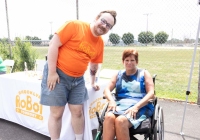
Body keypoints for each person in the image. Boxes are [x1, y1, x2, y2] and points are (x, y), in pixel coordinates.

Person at [40, 10, 117, 140]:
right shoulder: (75, 26)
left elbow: (93, 65)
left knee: (77, 111)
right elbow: (53, 44)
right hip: (58, 74)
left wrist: (93, 82)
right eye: (103, 21)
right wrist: (52, 73)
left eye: (108, 25)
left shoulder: (100, 43)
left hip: (78, 79)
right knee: (57, 113)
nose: (104, 26)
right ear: (96, 17)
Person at [102, 48, 155, 140]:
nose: (129, 62)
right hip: (120, 104)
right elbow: (106, 89)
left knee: (120, 120)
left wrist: (136, 107)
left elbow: (151, 93)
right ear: (123, 61)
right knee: (109, 117)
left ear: (137, 62)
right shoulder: (117, 74)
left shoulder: (144, 73)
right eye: (126, 60)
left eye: (132, 60)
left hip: (140, 106)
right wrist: (111, 101)